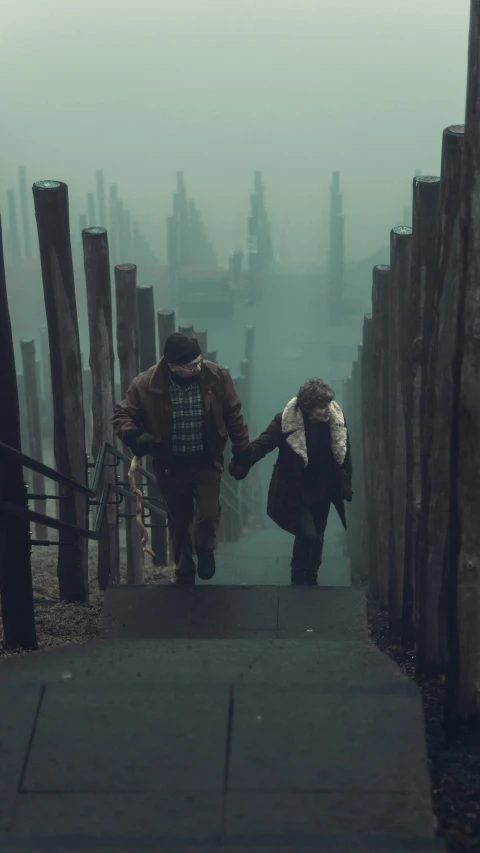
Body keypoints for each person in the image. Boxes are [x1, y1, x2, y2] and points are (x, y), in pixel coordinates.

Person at [112, 333, 251, 584]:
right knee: (178, 520)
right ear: (172, 365)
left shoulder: (216, 377)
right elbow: (122, 414)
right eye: (190, 366)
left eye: (199, 362)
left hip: (206, 459)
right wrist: (133, 435)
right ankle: (183, 567)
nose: (197, 368)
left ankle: (205, 549)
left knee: (208, 513)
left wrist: (242, 451)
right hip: (170, 464)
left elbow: (233, 414)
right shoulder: (145, 385)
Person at [229, 378, 352, 585]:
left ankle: (311, 575)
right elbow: (263, 444)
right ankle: (297, 573)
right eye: (322, 407)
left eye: (328, 405)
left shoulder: (336, 420)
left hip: (324, 486)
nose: (327, 410)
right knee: (308, 534)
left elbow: (345, 453)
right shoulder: (286, 420)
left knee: (319, 534)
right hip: (296, 487)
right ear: (308, 407)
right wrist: (243, 460)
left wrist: (346, 482)